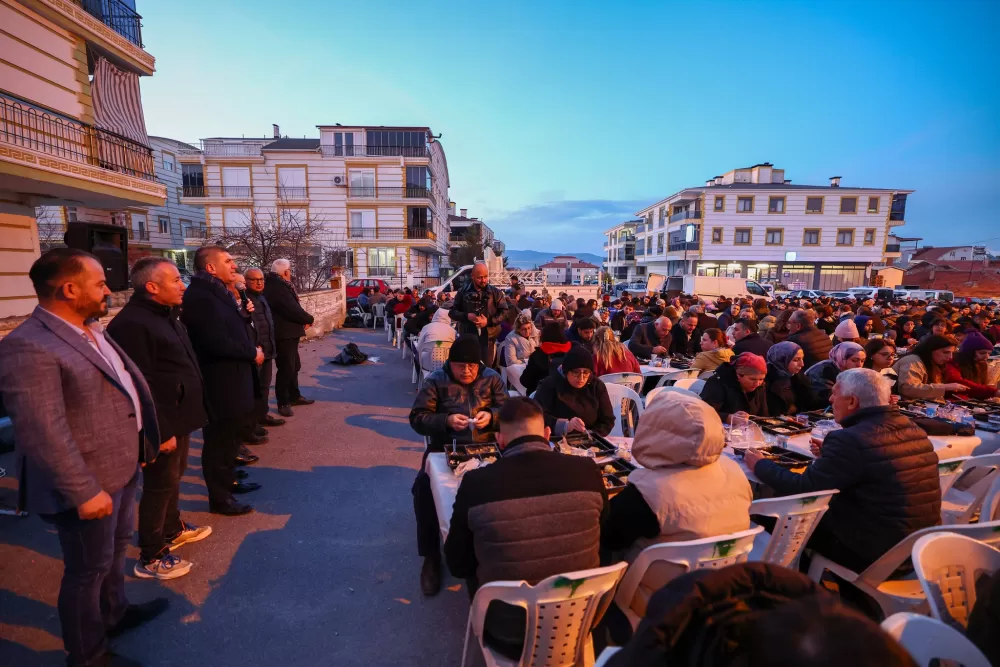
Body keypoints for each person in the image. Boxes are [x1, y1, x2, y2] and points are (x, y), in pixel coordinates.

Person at [0, 249, 166, 667]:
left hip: (121, 467)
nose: (107, 289)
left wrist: (143, 444)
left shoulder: (90, 329)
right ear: (69, 289)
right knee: (86, 571)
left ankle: (115, 613)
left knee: (114, 552)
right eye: (99, 282)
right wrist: (82, 490)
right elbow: (41, 430)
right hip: (85, 482)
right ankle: (87, 655)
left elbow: (119, 394)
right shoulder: (28, 346)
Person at [444, 397, 606, 661]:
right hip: (580, 622)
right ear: (546, 434)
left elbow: (457, 565)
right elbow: (604, 534)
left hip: (507, 633)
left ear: (500, 441)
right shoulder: (588, 470)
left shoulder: (476, 484)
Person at [746, 368, 941, 573]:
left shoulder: (850, 439)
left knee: (775, 517)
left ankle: (794, 584)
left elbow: (803, 488)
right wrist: (831, 459)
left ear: (852, 402)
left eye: (835, 394)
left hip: (875, 553)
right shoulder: (911, 428)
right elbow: (873, 468)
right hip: (919, 547)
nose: (830, 399)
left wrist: (759, 464)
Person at [106, 257, 213, 581]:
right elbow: (141, 384)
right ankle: (151, 554)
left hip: (178, 415)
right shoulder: (132, 324)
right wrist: (159, 431)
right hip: (161, 422)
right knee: (159, 484)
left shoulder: (166, 315)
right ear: (152, 287)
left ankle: (171, 528)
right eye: (175, 281)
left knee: (174, 476)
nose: (183, 285)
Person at [601, 391, 751, 561]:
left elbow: (610, 539)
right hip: (725, 576)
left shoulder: (648, 493)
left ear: (652, 430)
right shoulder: (734, 471)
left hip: (658, 583)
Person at [409, 334, 507, 596]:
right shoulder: (436, 381)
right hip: (444, 449)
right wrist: (446, 421)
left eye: (472, 366)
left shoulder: (492, 378)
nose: (466, 371)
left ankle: (496, 549)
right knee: (423, 490)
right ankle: (430, 556)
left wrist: (493, 417)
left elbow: (507, 410)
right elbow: (418, 418)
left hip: (487, 449)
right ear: (450, 363)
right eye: (461, 366)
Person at [182, 246, 262, 516]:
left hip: (234, 379)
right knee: (219, 442)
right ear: (210, 268)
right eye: (228, 262)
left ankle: (230, 482)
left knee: (230, 440)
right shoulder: (201, 297)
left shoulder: (220, 293)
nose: (234, 266)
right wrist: (252, 352)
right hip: (220, 382)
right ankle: (220, 498)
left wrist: (245, 315)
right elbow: (215, 341)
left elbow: (232, 328)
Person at [263, 258, 315, 418]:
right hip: (283, 333)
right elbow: (291, 309)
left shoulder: (278, 285)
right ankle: (283, 401)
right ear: (285, 272)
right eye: (290, 270)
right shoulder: (277, 287)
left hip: (290, 332)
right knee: (286, 367)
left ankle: (294, 395)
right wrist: (309, 318)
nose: (291, 273)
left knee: (294, 365)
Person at [534, 346, 615, 436]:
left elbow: (608, 420)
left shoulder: (596, 386)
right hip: (556, 439)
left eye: (586, 372)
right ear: (566, 371)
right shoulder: (550, 385)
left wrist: (591, 434)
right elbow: (536, 416)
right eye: (576, 372)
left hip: (589, 441)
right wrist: (565, 426)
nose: (581, 378)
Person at [244, 268, 285, 429]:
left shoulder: (262, 298)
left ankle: (262, 415)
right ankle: (251, 423)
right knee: (254, 389)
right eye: (254, 279)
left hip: (268, 350)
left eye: (261, 279)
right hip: (257, 351)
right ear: (246, 281)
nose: (259, 282)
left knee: (264, 386)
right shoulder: (246, 300)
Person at [449, 262, 509, 367]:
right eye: (480, 277)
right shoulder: (462, 291)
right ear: (472, 276)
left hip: (488, 338)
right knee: (468, 368)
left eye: (486, 276)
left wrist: (489, 321)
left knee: (486, 370)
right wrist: (467, 316)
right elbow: (452, 312)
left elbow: (504, 312)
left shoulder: (496, 292)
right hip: (467, 337)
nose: (484, 280)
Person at [892, 334, 969, 400]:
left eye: (952, 353)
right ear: (930, 350)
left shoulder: (933, 363)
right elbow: (908, 389)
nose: (950, 357)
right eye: (945, 352)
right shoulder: (912, 361)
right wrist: (945, 387)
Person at [701, 353, 770, 422]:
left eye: (761, 379)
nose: (757, 383)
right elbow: (704, 412)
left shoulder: (760, 386)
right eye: (752, 379)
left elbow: (763, 414)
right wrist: (728, 417)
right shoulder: (718, 382)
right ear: (738, 375)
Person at [765, 342, 821, 416]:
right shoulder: (764, 379)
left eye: (802, 358)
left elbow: (811, 402)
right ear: (781, 360)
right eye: (796, 360)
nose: (802, 364)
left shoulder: (798, 376)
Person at [943, 331, 1000, 399]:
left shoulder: (981, 364)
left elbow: (980, 386)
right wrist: (992, 392)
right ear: (970, 352)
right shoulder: (953, 362)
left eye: (989, 354)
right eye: (982, 353)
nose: (986, 356)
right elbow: (958, 382)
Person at [521, 322, 572, 395]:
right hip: (567, 397)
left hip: (540, 399)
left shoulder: (537, 356)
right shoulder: (572, 353)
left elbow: (525, 381)